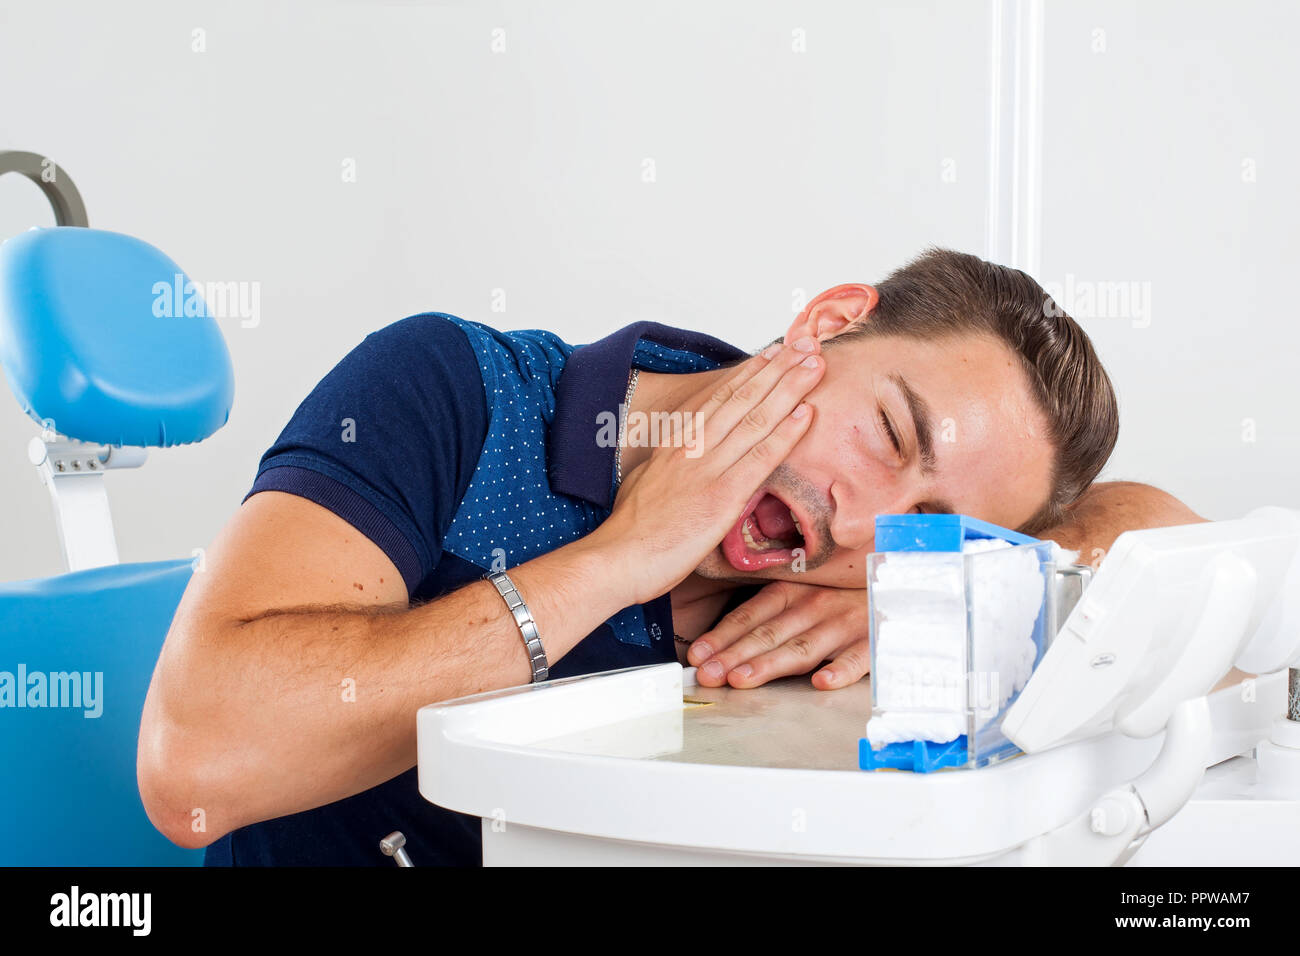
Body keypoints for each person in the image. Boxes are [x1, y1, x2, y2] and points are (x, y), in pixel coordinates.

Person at [137, 248, 1202, 865]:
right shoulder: (452, 393)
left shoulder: (875, 572)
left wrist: (955, 575)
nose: (855, 522)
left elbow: (1169, 536)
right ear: (826, 322)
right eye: (887, 433)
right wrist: (617, 560)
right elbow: (194, 765)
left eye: (927, 519)